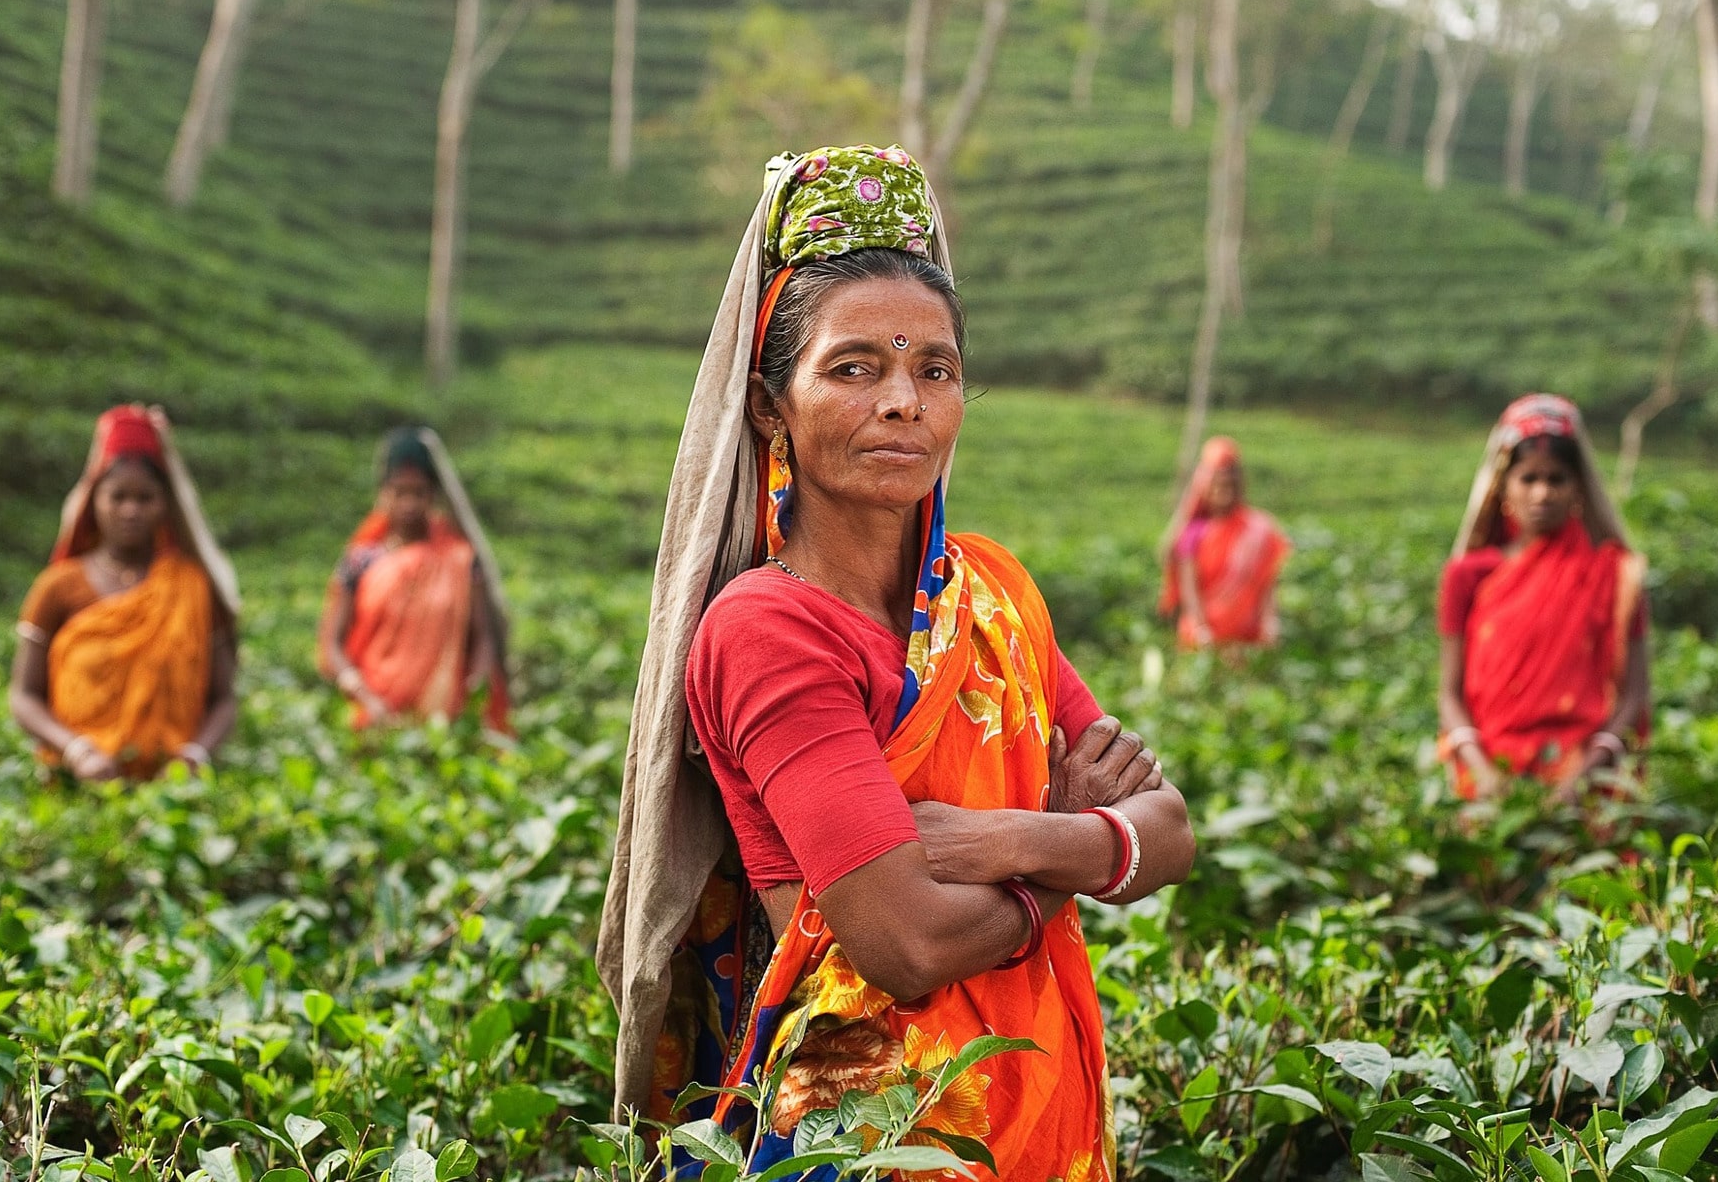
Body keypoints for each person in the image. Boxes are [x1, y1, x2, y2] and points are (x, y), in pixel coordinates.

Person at [597, 146, 1196, 1179]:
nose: (903, 401)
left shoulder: (995, 590)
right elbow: (904, 945)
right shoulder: (769, 631)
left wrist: (997, 836)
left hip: (1032, 1092)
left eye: (935, 369)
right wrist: (1074, 859)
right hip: (873, 1128)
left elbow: (1174, 831)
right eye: (854, 367)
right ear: (769, 406)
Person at [1437, 394, 1650, 801]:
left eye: (1556, 479)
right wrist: (1483, 774)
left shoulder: (1614, 574)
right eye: (1529, 479)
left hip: (1582, 775)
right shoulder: (1468, 576)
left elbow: (1634, 694)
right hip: (1488, 775)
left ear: (1578, 489)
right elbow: (1450, 693)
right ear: (1504, 487)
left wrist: (1581, 779)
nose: (1542, 494)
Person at [9, 405, 240, 781]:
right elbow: (23, 696)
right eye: (117, 497)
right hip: (75, 782)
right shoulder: (58, 587)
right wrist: (76, 750)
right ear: (94, 500)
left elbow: (224, 698)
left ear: (165, 504)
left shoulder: (192, 586)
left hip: (174, 791)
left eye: (145, 498)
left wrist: (194, 756)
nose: (130, 510)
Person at [317, 427, 511, 734]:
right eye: (398, 492)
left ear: (432, 495)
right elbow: (332, 644)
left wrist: (474, 696)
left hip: (444, 719)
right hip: (370, 712)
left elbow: (483, 637)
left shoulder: (460, 560)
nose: (408, 504)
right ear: (383, 493)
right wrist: (363, 695)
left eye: (418, 493)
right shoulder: (361, 560)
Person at [1158, 436, 1289, 649]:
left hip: (1249, 638)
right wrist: (1201, 628)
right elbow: (1189, 588)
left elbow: (1267, 584)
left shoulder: (1258, 530)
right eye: (1217, 485)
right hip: (1204, 638)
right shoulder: (1193, 532)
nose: (1223, 492)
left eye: (1229, 485)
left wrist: (1270, 622)